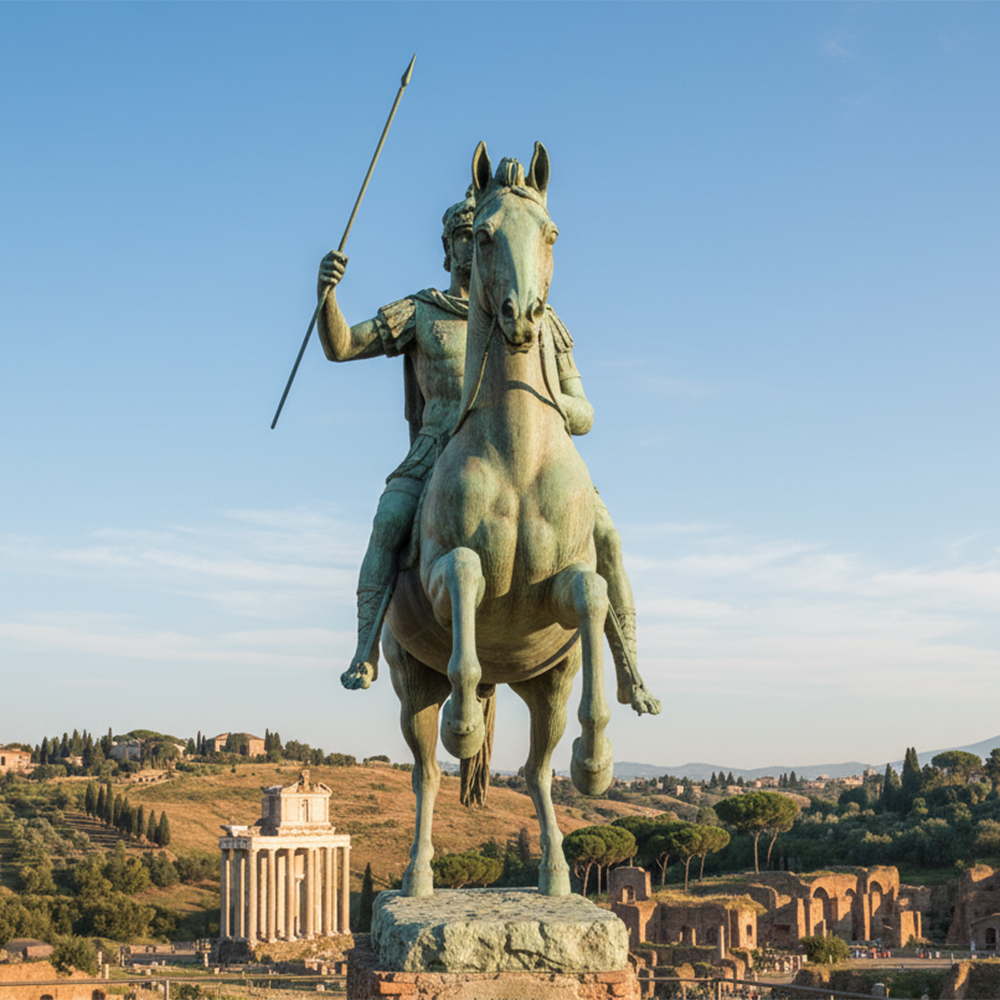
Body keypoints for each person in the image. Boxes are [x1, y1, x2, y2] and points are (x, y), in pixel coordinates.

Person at [316, 190, 658, 715]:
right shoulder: (422, 312)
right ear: (451, 250)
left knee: (607, 535)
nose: (478, 256)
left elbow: (586, 413)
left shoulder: (539, 319)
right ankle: (365, 651)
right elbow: (341, 346)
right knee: (389, 519)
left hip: (535, 448)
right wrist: (327, 297)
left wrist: (554, 407)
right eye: (467, 240)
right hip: (438, 446)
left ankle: (629, 667)